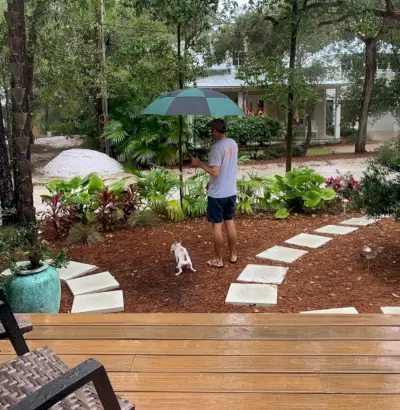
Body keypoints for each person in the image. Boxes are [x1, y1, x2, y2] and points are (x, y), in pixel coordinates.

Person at [191, 119, 238, 268]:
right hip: (230, 192)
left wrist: (200, 164)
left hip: (217, 196)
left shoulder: (216, 149)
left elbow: (215, 171)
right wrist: (211, 181)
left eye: (212, 131)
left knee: (217, 226)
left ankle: (218, 260)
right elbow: (224, 169)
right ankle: (233, 255)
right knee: (229, 222)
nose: (211, 133)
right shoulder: (233, 143)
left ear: (216, 131)